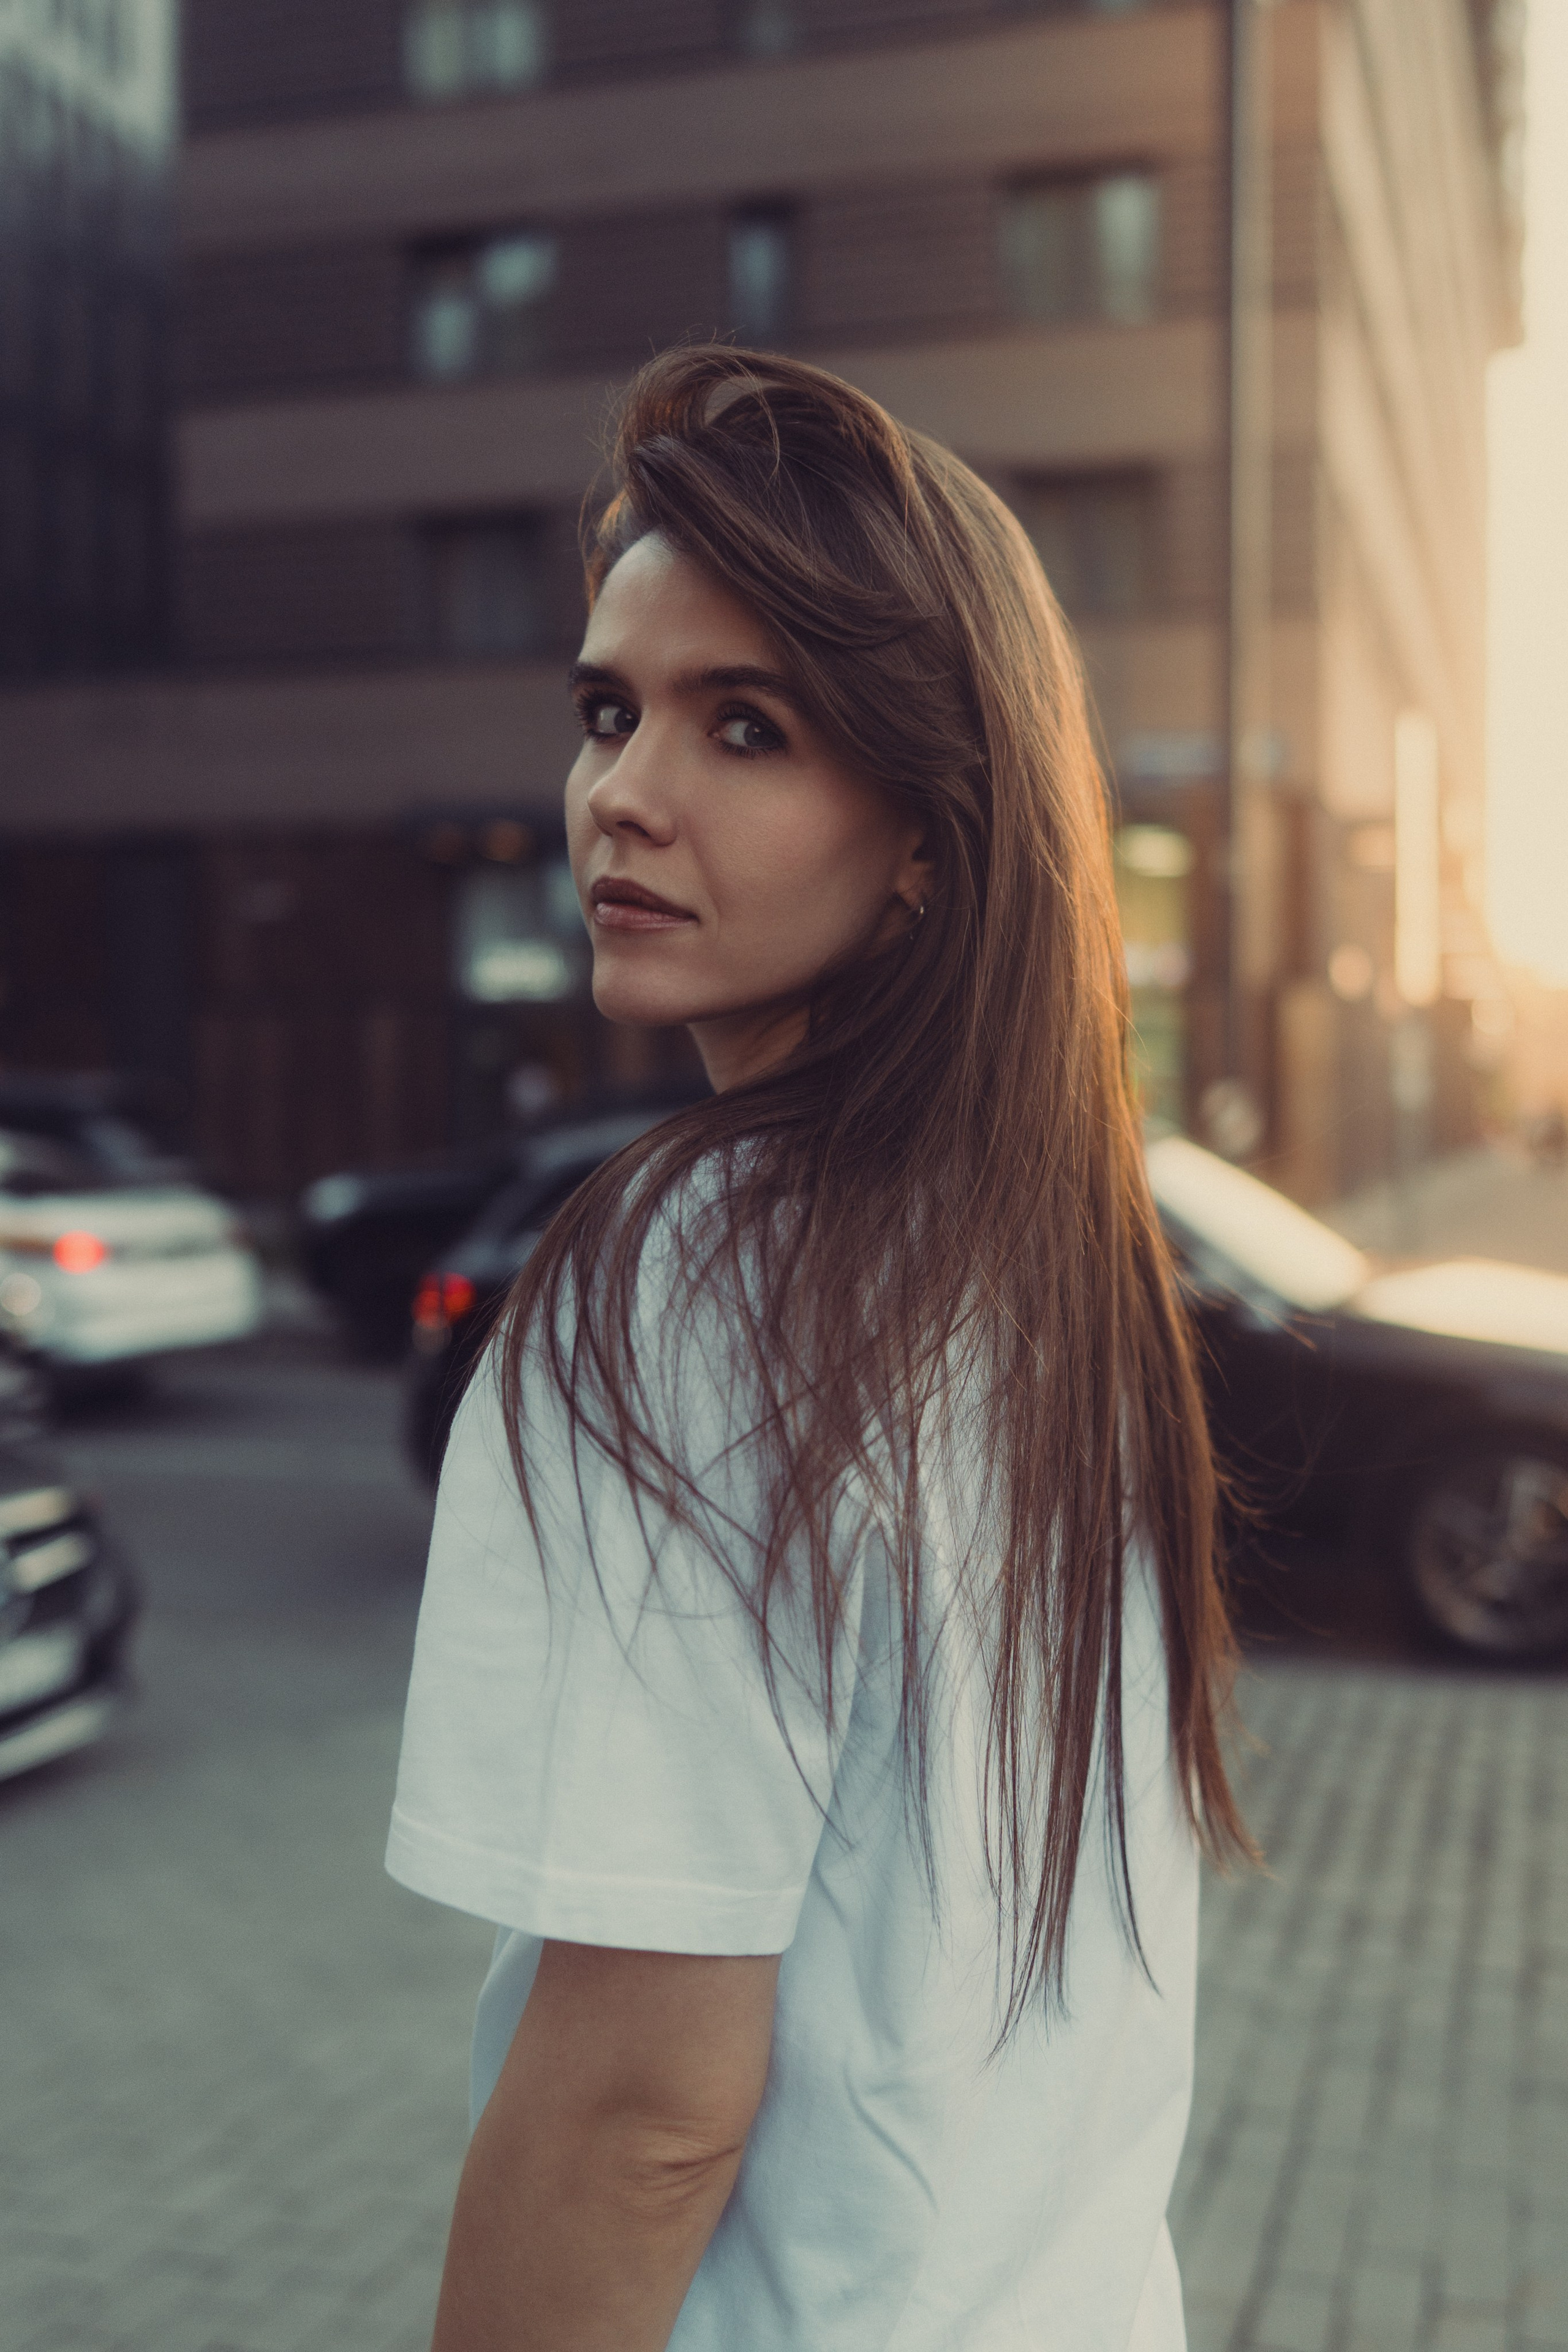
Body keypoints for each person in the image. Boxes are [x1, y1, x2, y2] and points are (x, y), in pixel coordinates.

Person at [386, 346, 1252, 2352]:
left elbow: (637, 2113)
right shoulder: (1051, 1273)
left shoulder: (686, 1284)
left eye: (745, 726)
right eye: (610, 711)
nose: (625, 791)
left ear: (933, 838)